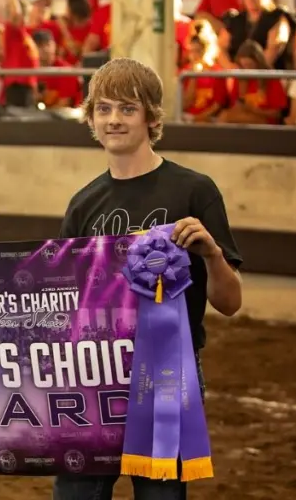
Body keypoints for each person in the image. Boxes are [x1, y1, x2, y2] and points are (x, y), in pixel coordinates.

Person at [52, 57, 244, 500]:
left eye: (126, 109)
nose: (113, 120)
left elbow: (230, 303)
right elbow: (66, 301)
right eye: (103, 109)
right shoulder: (83, 204)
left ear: (151, 117)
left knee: (160, 495)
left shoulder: (194, 191)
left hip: (166, 373)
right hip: (92, 376)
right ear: (91, 118)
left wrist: (213, 255)